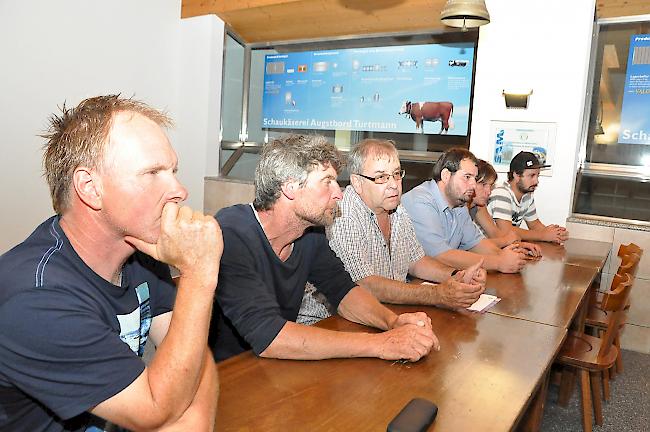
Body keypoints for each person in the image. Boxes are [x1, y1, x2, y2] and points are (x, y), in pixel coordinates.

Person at [0, 95, 222, 431]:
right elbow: (153, 409)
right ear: (90, 188)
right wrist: (198, 276)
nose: (179, 190)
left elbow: (190, 355)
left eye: (173, 171)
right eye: (153, 172)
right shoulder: (35, 297)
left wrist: (195, 423)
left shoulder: (138, 252)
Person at [209, 134, 438, 363]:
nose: (339, 193)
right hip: (233, 375)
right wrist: (382, 343)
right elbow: (271, 336)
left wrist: (392, 322)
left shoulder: (309, 232)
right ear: (290, 187)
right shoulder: (232, 232)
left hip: (279, 365)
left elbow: (343, 291)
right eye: (327, 181)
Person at [298, 139, 486, 325]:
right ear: (357, 182)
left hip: (382, 311)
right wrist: (437, 295)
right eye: (381, 177)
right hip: (329, 322)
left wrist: (456, 276)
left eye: (396, 174)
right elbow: (364, 285)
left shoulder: (396, 208)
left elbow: (416, 260)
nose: (394, 185)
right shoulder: (343, 213)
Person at [402, 148, 527, 273]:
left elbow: (476, 244)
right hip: (411, 280)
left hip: (443, 276)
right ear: (446, 176)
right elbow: (440, 255)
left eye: (474, 178)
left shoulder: (459, 203)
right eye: (467, 177)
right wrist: (498, 262)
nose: (473, 185)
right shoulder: (421, 201)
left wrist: (507, 256)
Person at [487, 151, 569, 244]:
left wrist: (555, 234)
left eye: (538, 175)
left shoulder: (527, 196)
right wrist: (543, 235)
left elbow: (534, 225)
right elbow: (506, 231)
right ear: (516, 175)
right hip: (485, 248)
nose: (536, 181)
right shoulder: (501, 194)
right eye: (532, 176)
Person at [469, 159, 541, 257]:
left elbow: (495, 233)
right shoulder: (459, 208)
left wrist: (520, 246)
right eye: (483, 185)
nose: (489, 192)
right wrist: (507, 244)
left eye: (490, 186)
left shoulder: (479, 206)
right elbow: (471, 247)